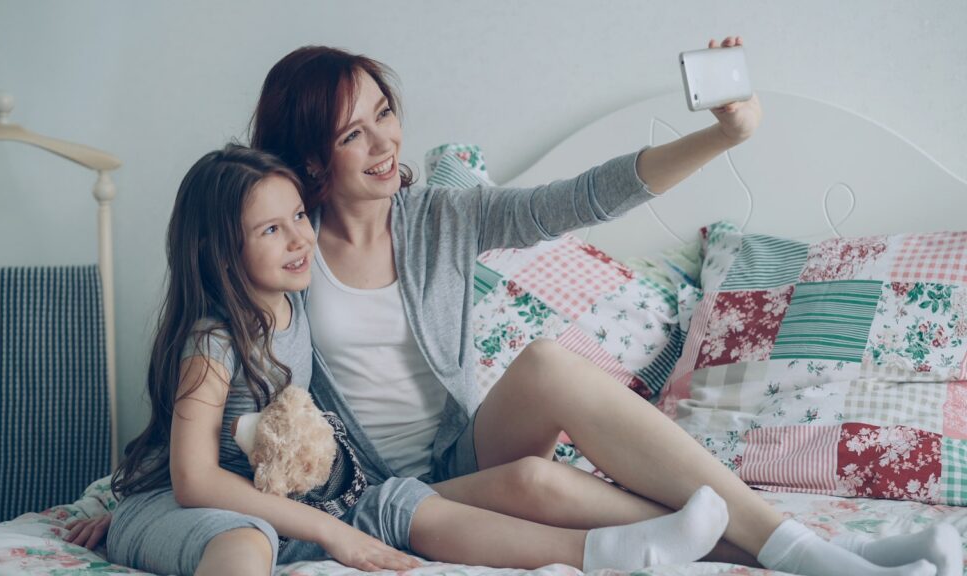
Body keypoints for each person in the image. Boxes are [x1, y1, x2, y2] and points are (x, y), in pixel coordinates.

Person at [241, 39, 960, 576]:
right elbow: (215, 369)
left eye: (385, 113)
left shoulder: (438, 217)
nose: (384, 141)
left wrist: (725, 134)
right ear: (310, 159)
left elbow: (582, 198)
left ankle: (808, 550)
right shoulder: (281, 251)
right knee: (539, 482)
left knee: (551, 363)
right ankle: (824, 556)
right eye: (352, 133)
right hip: (381, 491)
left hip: (458, 455)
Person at [81, 144, 748, 576]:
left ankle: (602, 554)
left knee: (401, 503)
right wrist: (328, 535)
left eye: (297, 218)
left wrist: (336, 521)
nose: (299, 240)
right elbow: (193, 479)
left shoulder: (297, 308)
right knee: (244, 545)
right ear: (219, 250)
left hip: (312, 501)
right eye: (270, 229)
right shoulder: (212, 342)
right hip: (224, 511)